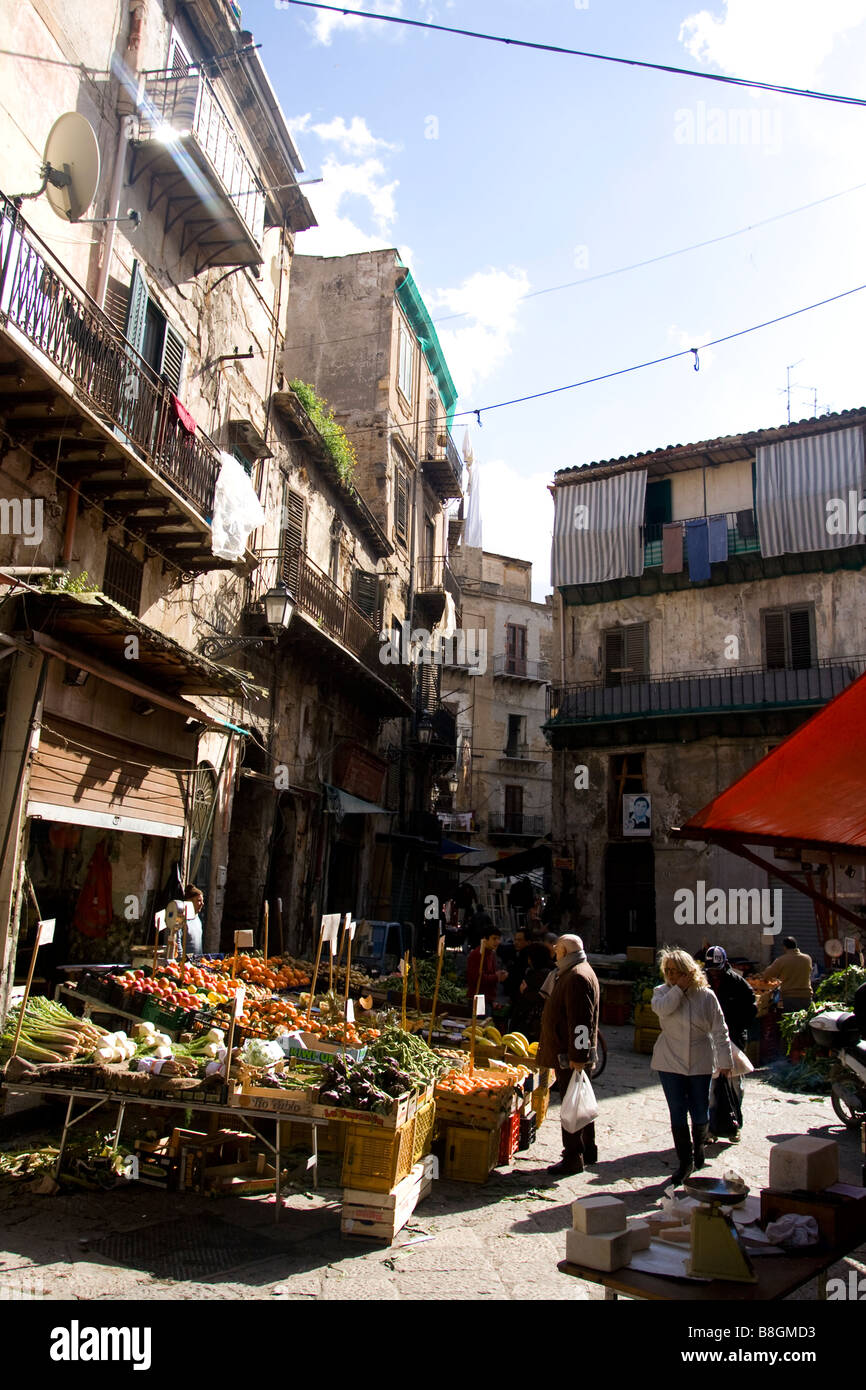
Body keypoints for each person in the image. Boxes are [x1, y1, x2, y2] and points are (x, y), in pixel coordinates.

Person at [651, 948, 733, 1185]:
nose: (670, 975)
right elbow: (663, 1009)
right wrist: (677, 989)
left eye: (675, 971)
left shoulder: (706, 996)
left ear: (688, 971)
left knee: (699, 1109)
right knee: (677, 1110)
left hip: (700, 1060)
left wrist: (725, 1061)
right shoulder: (662, 992)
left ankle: (698, 1147)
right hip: (669, 1061)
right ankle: (684, 1162)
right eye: (667, 971)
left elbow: (720, 1029)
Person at [536, 934, 600, 1176]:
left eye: (557, 949)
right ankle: (588, 1149)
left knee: (572, 1106)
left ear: (564, 951)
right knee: (580, 1103)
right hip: (571, 1053)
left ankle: (573, 1156)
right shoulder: (575, 971)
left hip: (570, 1055)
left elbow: (581, 1020)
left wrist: (578, 1056)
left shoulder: (576, 976)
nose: (554, 954)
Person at [704, 946, 757, 1140]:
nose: (714, 973)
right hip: (708, 1041)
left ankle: (734, 1126)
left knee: (735, 1086)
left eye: (717, 969)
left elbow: (751, 1010)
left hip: (733, 1040)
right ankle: (710, 1129)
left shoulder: (738, 983)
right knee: (710, 1087)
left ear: (724, 965)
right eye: (711, 970)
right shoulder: (703, 981)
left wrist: (733, 1030)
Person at [512, 942, 554, 1043]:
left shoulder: (541, 975)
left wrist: (525, 991)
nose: (528, 961)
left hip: (533, 1021)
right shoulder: (551, 972)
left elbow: (540, 996)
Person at [761, 935, 813, 1013]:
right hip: (806, 996)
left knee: (791, 1022)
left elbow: (767, 974)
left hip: (790, 997)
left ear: (784, 947)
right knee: (805, 1020)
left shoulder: (781, 960)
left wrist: (766, 979)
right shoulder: (807, 958)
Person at [466, 928, 507, 1004]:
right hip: (479, 999)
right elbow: (476, 978)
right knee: (481, 1016)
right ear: (485, 939)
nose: (497, 942)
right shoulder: (477, 954)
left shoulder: (491, 953)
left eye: (498, 939)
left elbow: (490, 973)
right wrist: (496, 977)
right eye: (494, 938)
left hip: (488, 998)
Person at [183, 884, 205, 956]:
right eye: (199, 900)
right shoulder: (182, 921)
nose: (202, 904)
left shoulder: (197, 919)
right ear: (189, 901)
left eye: (202, 901)